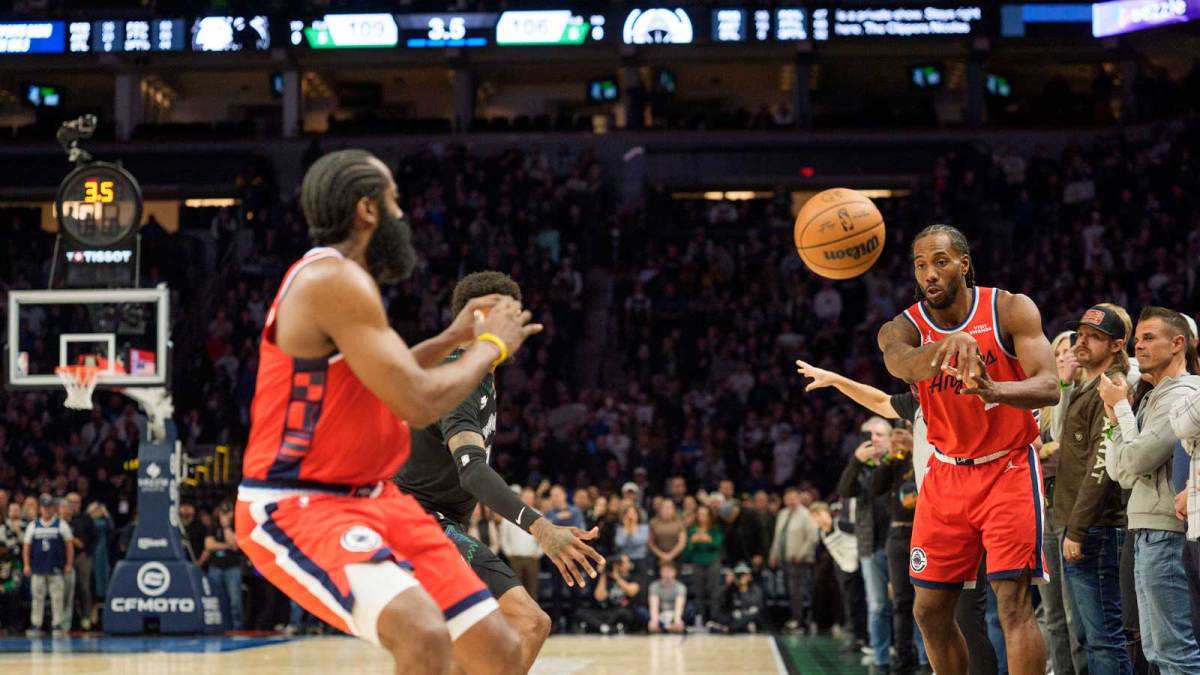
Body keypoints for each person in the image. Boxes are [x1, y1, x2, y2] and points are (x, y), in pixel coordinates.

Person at [234, 149, 540, 675]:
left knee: (502, 649)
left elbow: (394, 374)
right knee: (422, 636)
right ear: (368, 209)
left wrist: (454, 336)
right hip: (302, 503)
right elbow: (417, 399)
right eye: (394, 199)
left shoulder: (348, 283)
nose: (402, 214)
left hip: (378, 498)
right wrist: (491, 346)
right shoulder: (334, 282)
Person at [394, 270, 603, 671]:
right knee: (528, 623)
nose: (517, 324)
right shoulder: (460, 375)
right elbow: (471, 471)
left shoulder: (480, 373)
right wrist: (542, 527)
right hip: (417, 520)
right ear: (478, 320)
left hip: (435, 521)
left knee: (464, 651)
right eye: (506, 314)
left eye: (516, 313)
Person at [876, 224, 1058, 675]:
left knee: (1013, 604)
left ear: (963, 263)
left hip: (1008, 468)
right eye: (921, 265)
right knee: (928, 611)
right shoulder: (903, 328)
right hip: (945, 475)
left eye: (940, 261)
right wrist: (947, 345)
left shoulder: (1010, 308)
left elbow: (1050, 386)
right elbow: (901, 364)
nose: (930, 274)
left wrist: (995, 389)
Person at [797, 359, 996, 674]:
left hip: (967, 513)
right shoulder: (916, 404)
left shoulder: (960, 399)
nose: (911, 383)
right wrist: (836, 378)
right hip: (933, 521)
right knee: (929, 613)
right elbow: (877, 400)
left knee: (968, 616)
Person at [1101, 307, 1200, 675]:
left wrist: (1119, 412)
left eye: (1148, 338)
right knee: (1158, 651)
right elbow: (1119, 471)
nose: (1137, 346)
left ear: (1178, 344)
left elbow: (1137, 461)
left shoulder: (1186, 394)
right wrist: (1119, 419)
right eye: (1137, 339)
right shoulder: (1150, 397)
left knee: (1176, 652)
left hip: (1167, 533)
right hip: (1144, 530)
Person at [1052, 305, 1133, 675]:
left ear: (1117, 345)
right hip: (1083, 527)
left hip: (1095, 529)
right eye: (1080, 333)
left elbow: (1100, 467)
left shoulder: (1112, 388)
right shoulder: (1089, 385)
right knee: (1090, 637)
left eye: (1094, 337)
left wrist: (1078, 528)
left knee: (1103, 639)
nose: (1080, 342)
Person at [836, 416, 894, 671]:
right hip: (870, 546)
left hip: (902, 544)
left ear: (891, 438)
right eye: (867, 435)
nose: (873, 439)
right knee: (878, 605)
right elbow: (844, 490)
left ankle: (918, 656)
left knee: (913, 603)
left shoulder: (900, 462)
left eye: (879, 435)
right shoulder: (861, 467)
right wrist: (856, 461)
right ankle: (881, 658)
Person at [871, 428, 930, 674]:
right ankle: (903, 658)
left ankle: (926, 659)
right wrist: (889, 456)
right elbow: (874, 487)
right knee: (901, 602)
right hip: (897, 536)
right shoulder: (894, 462)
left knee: (927, 600)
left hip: (924, 532)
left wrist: (913, 448)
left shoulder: (922, 454)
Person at [810, 501, 868, 653]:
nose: (819, 519)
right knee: (851, 604)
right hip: (845, 570)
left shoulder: (841, 524)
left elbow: (860, 536)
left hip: (859, 566)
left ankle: (865, 638)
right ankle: (857, 638)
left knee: (862, 603)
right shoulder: (823, 533)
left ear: (827, 513)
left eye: (820, 514)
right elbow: (837, 554)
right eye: (815, 517)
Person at [768, 486, 818, 634]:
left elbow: (812, 538)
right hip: (784, 559)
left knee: (798, 592)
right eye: (787, 498)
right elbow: (778, 537)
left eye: (793, 497)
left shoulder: (806, 514)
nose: (790, 501)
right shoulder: (783, 514)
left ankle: (800, 621)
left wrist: (801, 554)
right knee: (789, 591)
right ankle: (793, 619)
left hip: (799, 561)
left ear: (798, 498)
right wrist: (773, 554)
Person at [23, 494, 73, 637]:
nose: (47, 510)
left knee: (57, 597)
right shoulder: (33, 526)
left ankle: (57, 624)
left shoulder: (61, 525)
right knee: (37, 598)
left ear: (53, 509)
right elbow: (27, 547)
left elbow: (69, 546)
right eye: (44, 507)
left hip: (56, 567)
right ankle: (36, 624)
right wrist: (26, 564)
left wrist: (69, 564)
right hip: (38, 568)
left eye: (49, 507)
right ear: (40, 509)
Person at [497, 486, 545, 604]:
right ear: (520, 497)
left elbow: (544, 538)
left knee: (533, 589)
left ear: (534, 499)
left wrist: (538, 553)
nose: (528, 500)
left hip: (532, 558)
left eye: (530, 497)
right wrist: (509, 553)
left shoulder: (539, 515)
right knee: (517, 590)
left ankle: (534, 619)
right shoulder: (510, 514)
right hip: (515, 557)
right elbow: (503, 536)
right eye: (526, 497)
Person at [681, 503, 723, 626]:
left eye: (705, 514)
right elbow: (687, 554)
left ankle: (714, 619)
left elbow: (717, 545)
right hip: (697, 563)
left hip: (712, 562)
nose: (702, 517)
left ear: (710, 516)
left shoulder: (715, 529)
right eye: (699, 514)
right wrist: (692, 543)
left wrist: (708, 539)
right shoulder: (692, 530)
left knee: (713, 591)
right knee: (699, 593)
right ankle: (701, 619)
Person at [205, 502, 244, 631]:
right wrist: (228, 546)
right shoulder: (213, 526)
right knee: (215, 599)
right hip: (216, 567)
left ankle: (237, 628)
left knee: (235, 600)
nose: (225, 515)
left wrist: (226, 527)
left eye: (227, 513)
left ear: (232, 513)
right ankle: (217, 627)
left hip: (232, 567)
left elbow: (236, 544)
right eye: (223, 513)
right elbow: (209, 545)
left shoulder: (237, 525)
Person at [715, 562, 764, 634]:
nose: (742, 577)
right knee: (729, 616)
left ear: (749, 576)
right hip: (737, 617)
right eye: (739, 575)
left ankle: (730, 628)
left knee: (754, 613)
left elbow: (753, 604)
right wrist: (728, 585)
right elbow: (723, 603)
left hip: (750, 616)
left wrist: (743, 590)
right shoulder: (732, 590)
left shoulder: (755, 588)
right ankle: (740, 627)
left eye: (744, 575)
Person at [647, 500, 686, 573]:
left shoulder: (679, 523)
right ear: (660, 509)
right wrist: (662, 555)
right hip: (658, 555)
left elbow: (681, 543)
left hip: (676, 556)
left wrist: (670, 555)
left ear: (674, 510)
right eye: (664, 508)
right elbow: (651, 542)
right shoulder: (654, 523)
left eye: (669, 508)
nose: (667, 510)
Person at [647, 561, 686, 634]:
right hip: (660, 614)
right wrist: (654, 621)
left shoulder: (680, 587)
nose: (667, 574)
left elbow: (679, 606)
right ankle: (664, 627)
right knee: (643, 613)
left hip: (674, 614)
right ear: (660, 572)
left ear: (675, 572)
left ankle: (667, 628)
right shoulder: (654, 586)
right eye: (664, 571)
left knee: (690, 609)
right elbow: (654, 606)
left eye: (669, 571)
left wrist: (677, 620)